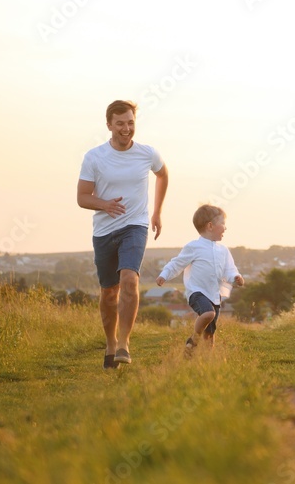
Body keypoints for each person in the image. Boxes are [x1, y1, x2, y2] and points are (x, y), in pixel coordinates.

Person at [77, 100, 168, 369]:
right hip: (104, 230)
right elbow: (82, 197)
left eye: (130, 122)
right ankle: (110, 342)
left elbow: (163, 176)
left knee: (129, 280)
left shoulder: (147, 153)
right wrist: (104, 204)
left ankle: (124, 343)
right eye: (120, 123)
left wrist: (157, 212)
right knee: (108, 293)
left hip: (135, 226)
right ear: (109, 125)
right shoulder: (94, 157)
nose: (126, 128)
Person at [156, 204, 244, 349]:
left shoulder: (223, 250)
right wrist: (164, 274)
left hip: (215, 295)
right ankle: (193, 339)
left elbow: (229, 270)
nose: (225, 228)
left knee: (210, 334)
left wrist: (236, 277)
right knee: (208, 314)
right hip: (197, 292)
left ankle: (203, 359)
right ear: (210, 226)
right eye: (223, 224)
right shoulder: (193, 247)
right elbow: (177, 263)